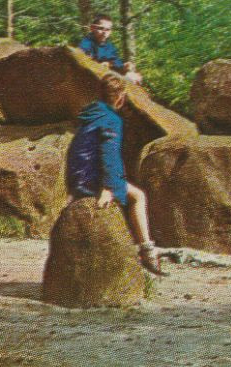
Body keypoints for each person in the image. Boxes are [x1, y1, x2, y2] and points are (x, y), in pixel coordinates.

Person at [65, 72, 163, 275]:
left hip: (78, 177)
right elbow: (108, 154)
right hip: (90, 179)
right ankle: (147, 250)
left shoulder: (91, 115)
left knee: (128, 194)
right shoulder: (111, 119)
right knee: (138, 197)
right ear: (120, 97)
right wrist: (108, 188)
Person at [74, 15, 143, 84]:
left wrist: (124, 66)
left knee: (134, 77)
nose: (104, 32)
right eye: (101, 28)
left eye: (107, 29)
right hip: (93, 77)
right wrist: (99, 64)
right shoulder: (87, 43)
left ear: (110, 32)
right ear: (92, 28)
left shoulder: (109, 46)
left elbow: (115, 61)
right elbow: (82, 60)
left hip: (107, 76)